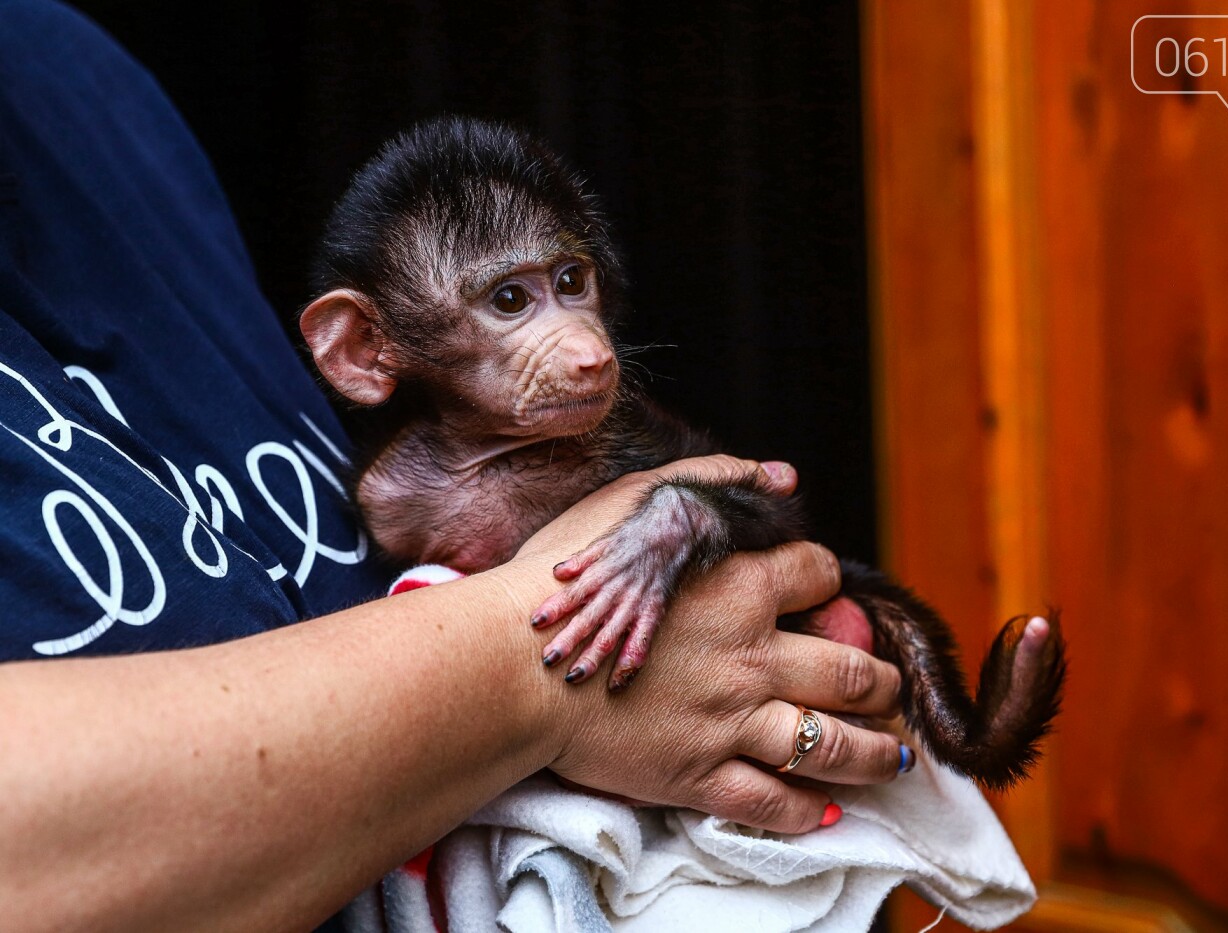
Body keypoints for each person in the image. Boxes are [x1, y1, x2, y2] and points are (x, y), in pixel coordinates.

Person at [0, 2, 908, 930]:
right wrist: (533, 673)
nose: (587, 348)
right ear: (361, 351)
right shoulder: (398, 491)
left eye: (571, 283)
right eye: (510, 300)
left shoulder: (68, 73)